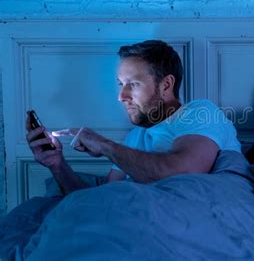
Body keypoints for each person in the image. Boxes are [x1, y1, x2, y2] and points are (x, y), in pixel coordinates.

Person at [25, 39, 241, 191]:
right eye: (121, 84)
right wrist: (57, 165)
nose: (121, 96)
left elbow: (183, 172)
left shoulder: (199, 113)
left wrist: (104, 145)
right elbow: (106, 200)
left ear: (166, 85)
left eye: (133, 84)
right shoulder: (135, 138)